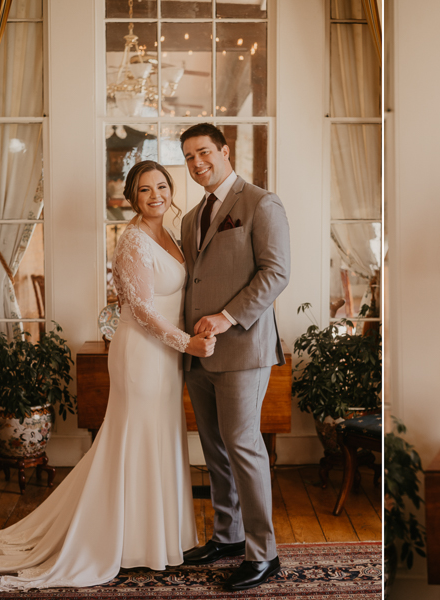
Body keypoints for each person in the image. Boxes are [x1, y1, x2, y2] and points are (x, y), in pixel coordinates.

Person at [0, 161, 216, 589]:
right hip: (143, 353)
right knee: (135, 439)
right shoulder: (131, 241)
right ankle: (128, 542)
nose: (155, 195)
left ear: (171, 189)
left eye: (162, 186)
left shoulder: (173, 235)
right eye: (144, 190)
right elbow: (143, 311)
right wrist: (189, 343)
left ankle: (162, 539)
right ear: (132, 197)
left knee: (160, 437)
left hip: (167, 356)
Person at [177, 124, 290, 591]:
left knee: (244, 446)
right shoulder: (189, 219)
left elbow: (277, 272)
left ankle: (264, 553)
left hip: (244, 347)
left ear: (225, 151)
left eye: (203, 152)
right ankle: (228, 535)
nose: (197, 162)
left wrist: (226, 317)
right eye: (188, 156)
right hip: (198, 352)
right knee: (215, 449)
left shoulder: (261, 202)